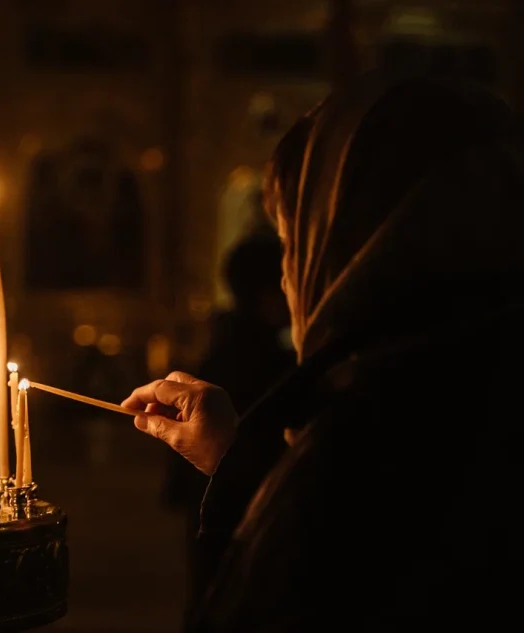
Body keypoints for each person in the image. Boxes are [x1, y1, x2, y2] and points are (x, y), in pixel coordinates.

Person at [123, 75, 524, 630]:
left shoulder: (367, 447)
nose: (288, 278)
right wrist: (238, 456)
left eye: (294, 243)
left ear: (354, 245)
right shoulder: (475, 382)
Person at [163, 233, 295, 621]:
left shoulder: (228, 344)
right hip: (240, 503)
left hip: (216, 496)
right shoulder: (264, 358)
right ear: (269, 294)